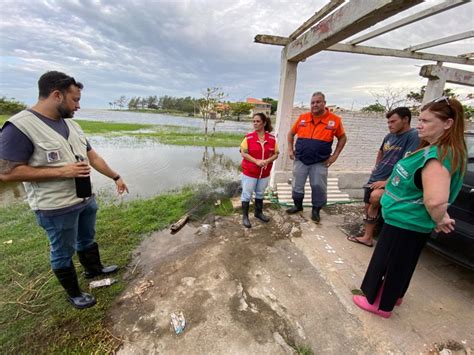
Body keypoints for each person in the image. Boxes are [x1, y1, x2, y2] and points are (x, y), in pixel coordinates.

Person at [0, 71, 129, 309]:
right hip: (56, 208)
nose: (78, 105)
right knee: (62, 250)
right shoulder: (19, 127)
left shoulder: (72, 124)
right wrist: (63, 172)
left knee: (87, 237)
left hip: (84, 199)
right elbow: (7, 173)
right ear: (57, 95)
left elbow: (93, 157)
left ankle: (93, 269)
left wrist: (116, 177)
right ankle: (74, 293)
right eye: (75, 99)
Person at [353, 96, 466, 318]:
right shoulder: (439, 149)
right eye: (420, 119)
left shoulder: (437, 156)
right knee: (401, 264)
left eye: (426, 121)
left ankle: (378, 304)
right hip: (408, 222)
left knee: (387, 263)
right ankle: (393, 296)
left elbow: (435, 199)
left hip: (405, 222)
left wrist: (440, 217)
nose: (419, 125)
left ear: (448, 123)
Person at [347, 107, 420, 247]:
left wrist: (387, 182)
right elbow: (381, 151)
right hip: (377, 176)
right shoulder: (389, 136)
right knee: (367, 203)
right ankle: (367, 236)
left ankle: (376, 232)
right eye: (388, 122)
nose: (390, 125)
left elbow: (408, 164)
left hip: (392, 180)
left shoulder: (413, 136)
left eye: (393, 121)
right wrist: (376, 167)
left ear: (405, 120)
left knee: (376, 198)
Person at [286, 91, 347, 223]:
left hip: (320, 161)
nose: (315, 105)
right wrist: (290, 149)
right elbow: (290, 134)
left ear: (324, 103)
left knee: (318, 186)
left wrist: (334, 156)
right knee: (297, 185)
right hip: (300, 159)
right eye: (312, 102)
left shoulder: (334, 120)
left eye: (318, 102)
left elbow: (342, 138)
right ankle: (297, 205)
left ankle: (316, 210)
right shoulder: (303, 118)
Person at [240, 113, 279, 228]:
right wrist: (256, 161)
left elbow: (276, 154)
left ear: (264, 123)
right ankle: (245, 217)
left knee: (260, 193)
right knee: (246, 194)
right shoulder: (248, 138)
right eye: (254, 121)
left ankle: (258, 213)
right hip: (250, 172)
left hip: (264, 173)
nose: (255, 123)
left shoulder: (272, 139)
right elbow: (243, 153)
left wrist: (267, 160)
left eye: (258, 121)